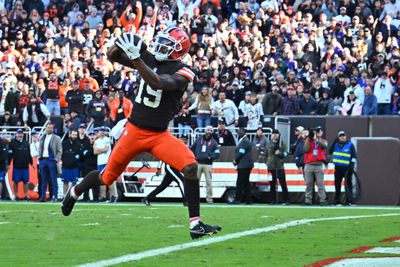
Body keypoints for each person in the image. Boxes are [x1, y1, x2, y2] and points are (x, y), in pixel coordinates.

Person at [62, 28, 221, 240]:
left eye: (167, 45)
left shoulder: (184, 71)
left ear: (178, 51)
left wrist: (137, 58)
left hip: (159, 135)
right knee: (107, 177)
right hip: (134, 131)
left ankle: (195, 224)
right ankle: (74, 192)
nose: (161, 48)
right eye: (161, 42)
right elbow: (113, 56)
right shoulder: (149, 57)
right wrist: (120, 43)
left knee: (190, 167)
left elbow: (159, 82)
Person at [191, 125, 220, 204]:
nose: (209, 132)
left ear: (212, 133)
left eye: (211, 131)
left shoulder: (214, 143)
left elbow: (217, 154)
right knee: (195, 182)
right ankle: (194, 198)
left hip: (208, 165)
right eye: (208, 130)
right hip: (198, 164)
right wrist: (194, 157)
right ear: (205, 131)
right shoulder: (198, 139)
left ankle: (209, 199)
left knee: (209, 182)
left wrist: (211, 157)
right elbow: (192, 149)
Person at [329, 131, 357, 206]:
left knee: (348, 185)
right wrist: (334, 141)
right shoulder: (335, 144)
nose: (342, 137)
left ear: (346, 136)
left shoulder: (350, 144)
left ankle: (349, 201)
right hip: (338, 168)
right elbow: (330, 151)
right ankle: (337, 201)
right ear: (338, 137)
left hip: (347, 168)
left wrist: (352, 165)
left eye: (343, 136)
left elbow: (354, 156)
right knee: (337, 185)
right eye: (341, 136)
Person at [303, 126, 329, 206]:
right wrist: (309, 138)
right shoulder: (308, 141)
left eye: (319, 131)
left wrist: (316, 139)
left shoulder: (323, 141)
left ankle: (323, 200)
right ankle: (308, 200)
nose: (318, 132)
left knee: (320, 184)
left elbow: (324, 146)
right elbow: (306, 149)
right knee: (309, 185)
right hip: (308, 164)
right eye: (317, 131)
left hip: (318, 165)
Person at [38, 123, 62, 202]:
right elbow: (40, 148)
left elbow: (59, 151)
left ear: (53, 129)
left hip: (51, 160)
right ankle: (43, 197)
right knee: (43, 180)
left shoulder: (57, 138)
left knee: (53, 179)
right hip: (43, 160)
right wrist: (39, 157)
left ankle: (55, 197)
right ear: (46, 128)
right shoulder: (43, 137)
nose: (49, 129)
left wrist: (56, 159)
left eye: (51, 128)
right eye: (48, 128)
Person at [265, 129, 290, 205]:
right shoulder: (268, 144)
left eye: (276, 134)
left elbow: (286, 154)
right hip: (271, 167)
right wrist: (267, 163)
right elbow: (265, 155)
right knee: (272, 184)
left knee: (283, 184)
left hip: (279, 166)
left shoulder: (282, 144)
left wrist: (280, 154)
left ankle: (286, 200)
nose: (275, 135)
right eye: (273, 134)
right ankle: (272, 200)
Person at [93, 126, 116, 202]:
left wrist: (99, 149)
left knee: (109, 179)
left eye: (103, 130)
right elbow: (95, 152)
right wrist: (101, 150)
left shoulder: (107, 139)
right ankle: (103, 196)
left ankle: (113, 195)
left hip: (107, 161)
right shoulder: (97, 141)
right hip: (100, 162)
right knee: (101, 180)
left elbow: (106, 150)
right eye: (101, 130)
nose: (102, 132)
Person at [8, 129, 32, 201]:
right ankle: (16, 195)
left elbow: (29, 154)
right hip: (16, 166)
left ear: (23, 135)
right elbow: (10, 154)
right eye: (18, 133)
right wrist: (8, 163)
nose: (20, 135)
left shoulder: (26, 143)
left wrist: (31, 163)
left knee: (26, 181)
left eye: (21, 133)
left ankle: (26, 195)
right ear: (16, 134)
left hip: (25, 166)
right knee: (16, 181)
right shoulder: (12, 143)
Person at [232, 127, 254, 204]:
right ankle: (248, 200)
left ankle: (238, 199)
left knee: (240, 183)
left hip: (244, 165)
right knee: (246, 183)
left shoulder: (244, 141)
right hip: (246, 164)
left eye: (240, 131)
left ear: (244, 132)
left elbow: (241, 152)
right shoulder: (245, 141)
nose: (238, 133)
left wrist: (235, 160)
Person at [61, 129, 82, 197]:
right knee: (65, 182)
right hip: (65, 166)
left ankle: (73, 196)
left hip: (74, 167)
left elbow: (80, 155)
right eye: (73, 134)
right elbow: (61, 154)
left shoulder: (78, 145)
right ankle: (65, 196)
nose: (74, 136)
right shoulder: (64, 143)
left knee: (74, 183)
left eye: (76, 135)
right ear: (70, 134)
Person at [81, 130, 98, 202]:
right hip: (86, 166)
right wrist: (93, 149)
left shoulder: (98, 144)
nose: (92, 136)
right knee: (86, 182)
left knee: (96, 183)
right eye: (90, 135)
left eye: (93, 135)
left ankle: (96, 198)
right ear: (88, 136)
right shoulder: (85, 145)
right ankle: (85, 197)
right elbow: (85, 154)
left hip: (95, 166)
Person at [30, 130, 41, 198]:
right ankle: (40, 195)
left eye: (35, 135)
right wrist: (39, 153)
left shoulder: (41, 143)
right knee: (40, 179)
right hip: (38, 164)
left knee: (46, 179)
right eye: (33, 136)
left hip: (43, 162)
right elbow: (33, 154)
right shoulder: (32, 145)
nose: (34, 137)